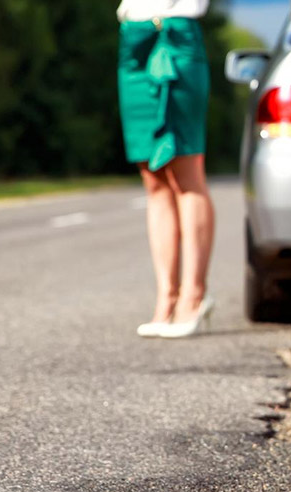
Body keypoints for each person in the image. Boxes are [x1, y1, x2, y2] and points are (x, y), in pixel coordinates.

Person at [117, 0, 215, 338]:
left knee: (186, 172)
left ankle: (194, 296)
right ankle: (166, 298)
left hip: (178, 32)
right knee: (153, 178)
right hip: (134, 36)